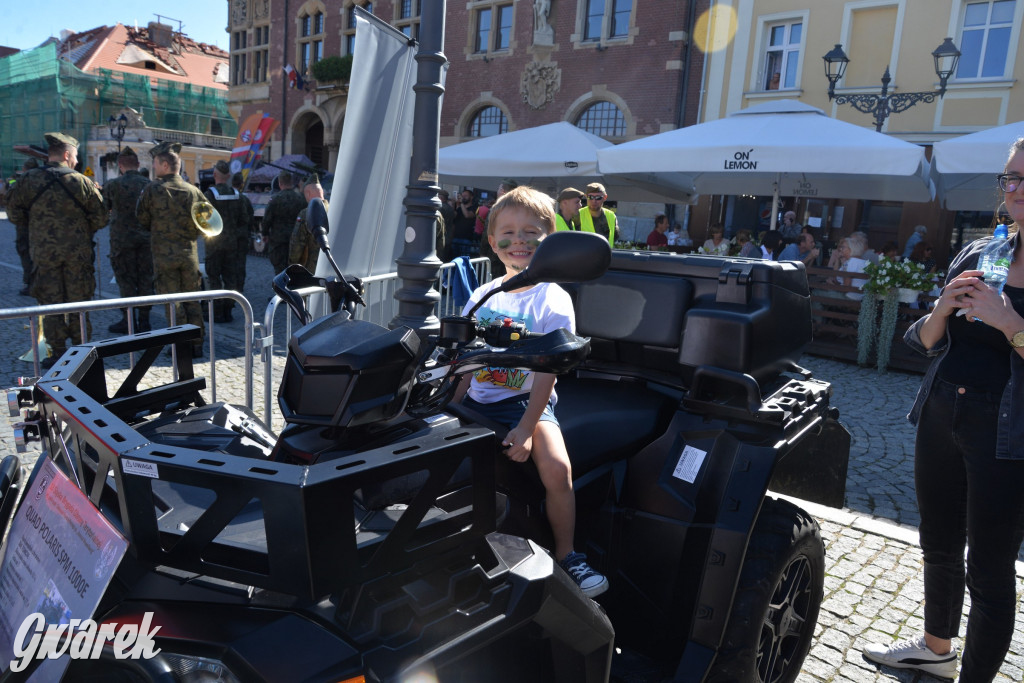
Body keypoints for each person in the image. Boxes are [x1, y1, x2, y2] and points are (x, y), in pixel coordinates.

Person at [863, 137, 1024, 682]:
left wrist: (1010, 323)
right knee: (938, 542)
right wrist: (941, 307)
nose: (1016, 189)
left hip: (1007, 430)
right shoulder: (983, 251)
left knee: (991, 568)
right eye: (1010, 178)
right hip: (940, 411)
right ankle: (935, 649)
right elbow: (926, 341)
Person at [454, 185, 608, 598]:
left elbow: (548, 371)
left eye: (531, 232)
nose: (518, 240)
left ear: (550, 241)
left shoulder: (551, 298)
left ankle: (568, 555)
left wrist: (526, 427)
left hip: (526, 401)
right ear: (492, 241)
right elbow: (467, 356)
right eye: (508, 231)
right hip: (478, 399)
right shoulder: (483, 294)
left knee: (557, 470)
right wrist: (450, 402)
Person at [6, 132, 107, 367]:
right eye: (74, 157)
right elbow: (101, 219)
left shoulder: (28, 180)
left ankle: (57, 352)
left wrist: (37, 225)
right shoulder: (82, 182)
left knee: (50, 304)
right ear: (65, 154)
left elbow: (14, 214)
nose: (76, 162)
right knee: (79, 301)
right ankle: (82, 353)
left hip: (43, 255)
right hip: (77, 255)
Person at [136, 140, 207, 358]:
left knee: (172, 303)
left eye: (156, 163)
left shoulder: (152, 190)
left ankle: (179, 346)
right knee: (192, 301)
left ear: (165, 166)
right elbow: (207, 222)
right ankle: (196, 345)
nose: (154, 167)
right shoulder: (194, 191)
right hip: (189, 255)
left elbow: (142, 219)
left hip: (164, 257)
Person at [102, 146, 153, 332]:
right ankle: (145, 320)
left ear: (120, 165)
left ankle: (128, 320)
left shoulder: (112, 185)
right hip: (146, 241)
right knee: (146, 279)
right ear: (138, 165)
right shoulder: (149, 185)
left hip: (122, 242)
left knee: (125, 280)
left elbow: (102, 212)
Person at [203, 161, 248, 323]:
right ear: (228, 176)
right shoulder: (238, 195)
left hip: (214, 244)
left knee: (214, 277)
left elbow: (203, 219)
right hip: (232, 244)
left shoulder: (209, 195)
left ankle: (216, 312)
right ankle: (228, 310)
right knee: (230, 277)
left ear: (215, 175)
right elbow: (244, 220)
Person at [264, 170, 307, 274]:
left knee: (280, 269)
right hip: (296, 238)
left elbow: (267, 219)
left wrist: (264, 234)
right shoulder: (301, 199)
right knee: (295, 268)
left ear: (279, 183)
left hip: (278, 240)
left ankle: (281, 288)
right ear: (291, 182)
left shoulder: (275, 199)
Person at [11, 158, 39, 296]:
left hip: (25, 225)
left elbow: (11, 206)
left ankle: (30, 283)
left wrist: (19, 220)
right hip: (42, 224)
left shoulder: (20, 183)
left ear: (24, 169)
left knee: (26, 253)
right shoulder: (43, 182)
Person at [289, 174, 326, 273]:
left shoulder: (306, 213)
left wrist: (292, 266)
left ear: (308, 194)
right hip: (331, 268)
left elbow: (297, 244)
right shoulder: (334, 210)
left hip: (311, 269)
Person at [451, 188, 479, 258]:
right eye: (462, 196)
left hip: (467, 239)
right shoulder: (459, 208)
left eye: (465, 196)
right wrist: (453, 204)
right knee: (453, 259)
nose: (463, 197)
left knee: (464, 261)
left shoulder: (475, 208)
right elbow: (453, 217)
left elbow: (467, 215)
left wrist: (461, 203)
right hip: (455, 238)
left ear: (471, 197)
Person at [436, 189, 455, 261]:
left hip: (441, 238)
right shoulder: (450, 208)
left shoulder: (440, 208)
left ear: (440, 198)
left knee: (440, 259)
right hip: (448, 237)